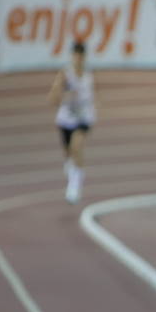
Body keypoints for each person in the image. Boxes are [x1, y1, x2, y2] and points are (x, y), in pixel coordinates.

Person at [47, 41, 95, 204]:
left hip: (83, 117)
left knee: (77, 147)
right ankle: (72, 165)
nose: (78, 59)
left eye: (81, 55)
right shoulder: (65, 75)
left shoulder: (89, 74)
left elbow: (94, 92)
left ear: (84, 57)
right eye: (76, 55)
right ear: (72, 56)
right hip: (66, 118)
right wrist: (63, 95)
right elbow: (52, 98)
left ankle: (74, 187)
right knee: (69, 153)